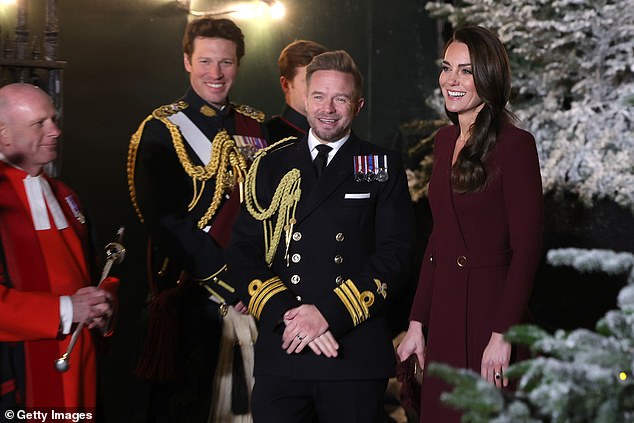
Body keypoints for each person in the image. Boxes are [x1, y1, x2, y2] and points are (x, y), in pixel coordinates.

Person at [225, 50, 416, 422]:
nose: (328, 108)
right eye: (319, 96)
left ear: (357, 105)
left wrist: (328, 314)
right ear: (304, 99)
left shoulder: (381, 166)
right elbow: (243, 250)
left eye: (340, 98)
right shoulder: (270, 165)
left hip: (352, 354)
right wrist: (290, 317)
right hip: (284, 350)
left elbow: (396, 255)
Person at [396, 26, 544, 422]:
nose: (451, 80)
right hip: (444, 317)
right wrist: (416, 323)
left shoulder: (516, 145)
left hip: (490, 318)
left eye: (466, 71)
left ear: (489, 78)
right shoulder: (444, 141)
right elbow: (438, 241)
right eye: (447, 68)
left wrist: (502, 335)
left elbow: (527, 250)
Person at [127, 16, 266, 422]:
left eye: (226, 63)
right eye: (205, 61)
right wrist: (229, 278)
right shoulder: (161, 129)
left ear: (238, 65)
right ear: (187, 61)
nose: (216, 73)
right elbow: (165, 220)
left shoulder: (256, 126)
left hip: (253, 296)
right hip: (191, 301)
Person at [0, 83, 117, 411]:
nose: (55, 131)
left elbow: (96, 274)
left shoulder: (66, 195)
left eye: (54, 119)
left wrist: (103, 306)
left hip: (80, 370)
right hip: (17, 375)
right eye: (40, 123)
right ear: (4, 134)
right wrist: (66, 311)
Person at [264, 39, 328, 142]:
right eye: (308, 81)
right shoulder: (266, 136)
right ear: (285, 85)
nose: (320, 89)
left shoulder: (338, 135)